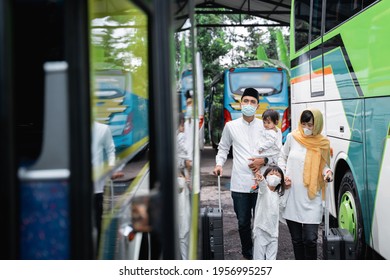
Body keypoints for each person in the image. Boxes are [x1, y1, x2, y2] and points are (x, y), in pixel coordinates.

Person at [213, 87, 278, 260]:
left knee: (260, 222)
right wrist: (219, 164)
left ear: (258, 106)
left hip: (261, 183)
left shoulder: (265, 127)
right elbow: (223, 148)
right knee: (243, 222)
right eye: (246, 101)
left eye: (253, 102)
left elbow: (275, 153)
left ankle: (260, 255)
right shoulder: (231, 127)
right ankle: (248, 254)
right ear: (240, 103)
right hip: (240, 184)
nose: (249, 104)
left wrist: (263, 161)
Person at [278, 108, 333, 260]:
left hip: (311, 196)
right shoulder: (292, 137)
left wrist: (328, 172)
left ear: (317, 125)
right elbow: (282, 157)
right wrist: (283, 175)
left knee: (310, 239)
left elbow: (324, 165)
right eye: (304, 124)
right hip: (292, 195)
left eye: (310, 125)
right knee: (296, 240)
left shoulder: (322, 143)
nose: (307, 129)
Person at [91, 121, 122, 249]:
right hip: (79, 185)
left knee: (98, 222)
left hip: (97, 187)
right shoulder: (73, 127)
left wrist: (111, 167)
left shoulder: (102, 129)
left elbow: (110, 150)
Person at [252, 165, 286, 260]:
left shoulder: (278, 195)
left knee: (272, 258)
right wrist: (262, 180)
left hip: (274, 233)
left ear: (280, 180)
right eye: (271, 174)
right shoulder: (263, 191)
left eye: (277, 175)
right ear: (266, 176)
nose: (274, 176)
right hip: (261, 229)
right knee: (258, 258)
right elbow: (263, 186)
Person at [250, 109, 282, 192]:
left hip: (268, 154)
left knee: (254, 163)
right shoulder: (269, 130)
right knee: (257, 167)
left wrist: (261, 148)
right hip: (268, 154)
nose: (266, 125)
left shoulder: (272, 132)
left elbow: (270, 143)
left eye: (268, 123)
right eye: (264, 122)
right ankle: (257, 183)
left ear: (276, 122)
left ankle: (257, 183)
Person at [176, 113, 192, 259]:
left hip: (179, 182)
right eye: (182, 125)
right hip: (180, 185)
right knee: (183, 228)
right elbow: (186, 160)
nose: (183, 128)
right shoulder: (180, 138)